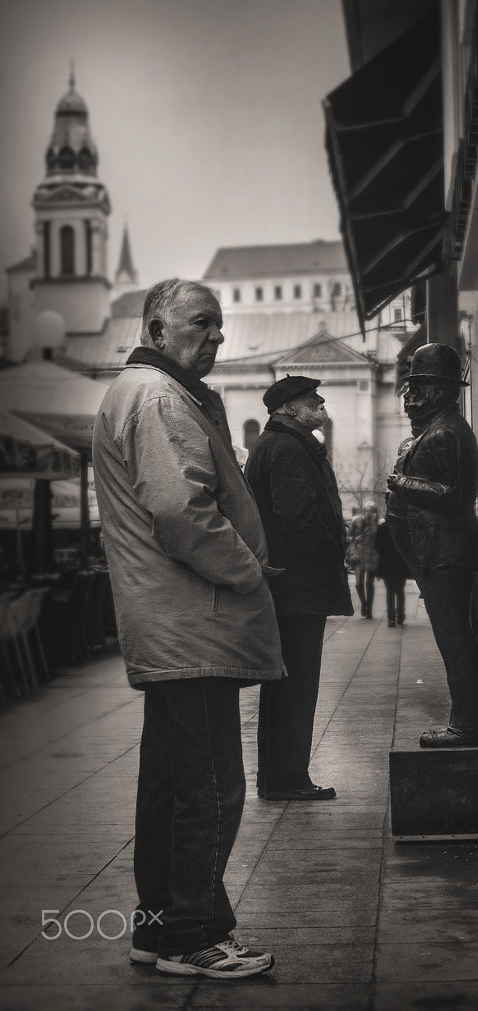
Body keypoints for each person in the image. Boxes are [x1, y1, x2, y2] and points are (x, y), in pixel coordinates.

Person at [92, 278, 283, 981]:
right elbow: (182, 514)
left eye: (219, 326)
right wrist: (250, 570)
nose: (216, 337)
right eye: (201, 324)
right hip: (190, 624)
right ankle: (189, 937)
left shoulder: (145, 394)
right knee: (208, 787)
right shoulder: (160, 399)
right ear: (156, 326)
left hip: (174, 624)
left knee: (174, 786)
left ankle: (159, 930)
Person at [245, 374, 353, 801]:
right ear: (289, 408)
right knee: (296, 686)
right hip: (298, 588)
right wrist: (332, 552)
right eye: (312, 399)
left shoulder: (277, 445)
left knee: (284, 684)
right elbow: (300, 518)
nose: (321, 403)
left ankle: (279, 777)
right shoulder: (288, 448)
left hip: (288, 586)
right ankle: (288, 778)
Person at [386, 343, 478, 747]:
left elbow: (452, 494)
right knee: (458, 640)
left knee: (456, 642)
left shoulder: (446, 432)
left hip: (447, 553)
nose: (410, 398)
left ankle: (465, 728)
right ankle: (464, 724)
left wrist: (402, 483)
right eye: (411, 387)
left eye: (421, 387)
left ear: (443, 391)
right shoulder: (437, 429)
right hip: (438, 553)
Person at [374, 515, 409, 627]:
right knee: (400, 591)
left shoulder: (382, 528)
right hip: (400, 564)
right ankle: (400, 615)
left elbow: (377, 548)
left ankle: (391, 618)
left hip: (386, 565)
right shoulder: (402, 528)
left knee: (390, 591)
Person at [350, 503, 379, 618]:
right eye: (366, 511)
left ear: (373, 513)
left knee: (369, 584)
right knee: (358, 584)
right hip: (359, 557)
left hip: (371, 556)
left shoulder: (376, 525)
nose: (367, 513)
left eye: (370, 511)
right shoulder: (356, 523)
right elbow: (347, 538)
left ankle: (370, 610)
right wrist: (355, 539)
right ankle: (363, 604)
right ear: (363, 512)